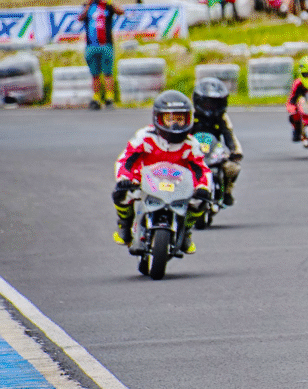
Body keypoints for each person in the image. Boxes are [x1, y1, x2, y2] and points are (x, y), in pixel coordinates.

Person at [112, 90, 211, 254]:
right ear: (158, 118)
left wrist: (202, 188)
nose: (175, 125)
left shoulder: (191, 144)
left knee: (200, 201)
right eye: (169, 119)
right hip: (146, 183)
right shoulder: (145, 136)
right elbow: (126, 159)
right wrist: (124, 178)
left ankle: (186, 231)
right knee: (120, 194)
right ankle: (125, 223)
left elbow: (201, 169)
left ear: (188, 119)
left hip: (178, 185)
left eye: (180, 119)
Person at [190, 77, 243, 206]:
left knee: (233, 168)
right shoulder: (191, 117)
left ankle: (227, 192)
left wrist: (235, 152)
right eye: (208, 104)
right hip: (192, 152)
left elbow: (229, 136)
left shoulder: (223, 119)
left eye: (216, 104)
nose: (212, 108)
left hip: (213, 150)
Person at [78, 0, 124, 110]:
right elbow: (80, 18)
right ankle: (96, 98)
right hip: (91, 45)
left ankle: (109, 98)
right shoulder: (88, 6)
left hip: (106, 44)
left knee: (108, 73)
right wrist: (88, 5)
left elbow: (121, 11)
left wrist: (110, 2)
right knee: (95, 74)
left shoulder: (107, 6)